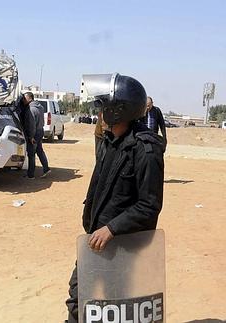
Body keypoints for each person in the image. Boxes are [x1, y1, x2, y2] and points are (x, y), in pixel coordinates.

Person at [65, 74, 164, 322]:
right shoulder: (111, 141)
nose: (99, 114)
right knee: (78, 300)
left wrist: (111, 228)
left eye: (103, 108)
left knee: (117, 304)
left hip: (121, 245)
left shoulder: (146, 150)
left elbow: (149, 205)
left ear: (118, 111)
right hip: (95, 240)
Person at [18, 92, 50, 178]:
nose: (23, 101)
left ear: (29, 98)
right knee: (40, 151)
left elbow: (31, 124)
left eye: (24, 99)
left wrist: (31, 136)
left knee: (31, 154)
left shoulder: (30, 109)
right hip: (40, 131)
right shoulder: (40, 107)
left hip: (34, 133)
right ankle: (46, 169)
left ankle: (30, 175)